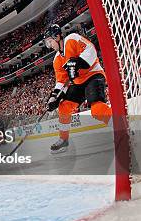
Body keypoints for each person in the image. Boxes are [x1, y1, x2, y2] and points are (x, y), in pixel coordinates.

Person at [44, 24, 112, 153]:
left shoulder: (72, 38)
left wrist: (77, 62)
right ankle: (64, 140)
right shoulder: (57, 60)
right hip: (78, 83)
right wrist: (54, 97)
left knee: (97, 110)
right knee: (63, 107)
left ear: (57, 36)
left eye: (50, 42)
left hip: (93, 75)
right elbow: (61, 81)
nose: (50, 46)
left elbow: (91, 50)